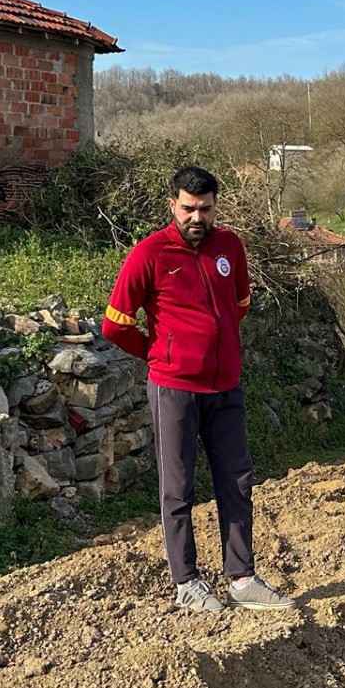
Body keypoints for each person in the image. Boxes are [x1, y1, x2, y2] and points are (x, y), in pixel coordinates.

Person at [101, 166, 295, 613]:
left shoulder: (230, 247)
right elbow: (115, 324)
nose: (196, 217)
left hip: (225, 386)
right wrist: (162, 354)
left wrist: (215, 348)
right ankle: (187, 582)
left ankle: (242, 579)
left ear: (215, 207)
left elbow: (239, 305)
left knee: (237, 480)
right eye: (188, 208)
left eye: (205, 209)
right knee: (178, 487)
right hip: (174, 389)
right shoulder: (149, 254)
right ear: (172, 205)